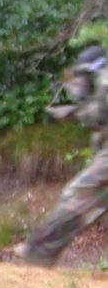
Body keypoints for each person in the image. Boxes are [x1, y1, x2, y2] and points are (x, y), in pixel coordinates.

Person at [17, 45, 108, 267]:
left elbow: (98, 113)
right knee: (88, 202)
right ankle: (40, 251)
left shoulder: (105, 80)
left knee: (77, 195)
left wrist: (72, 113)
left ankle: (39, 251)